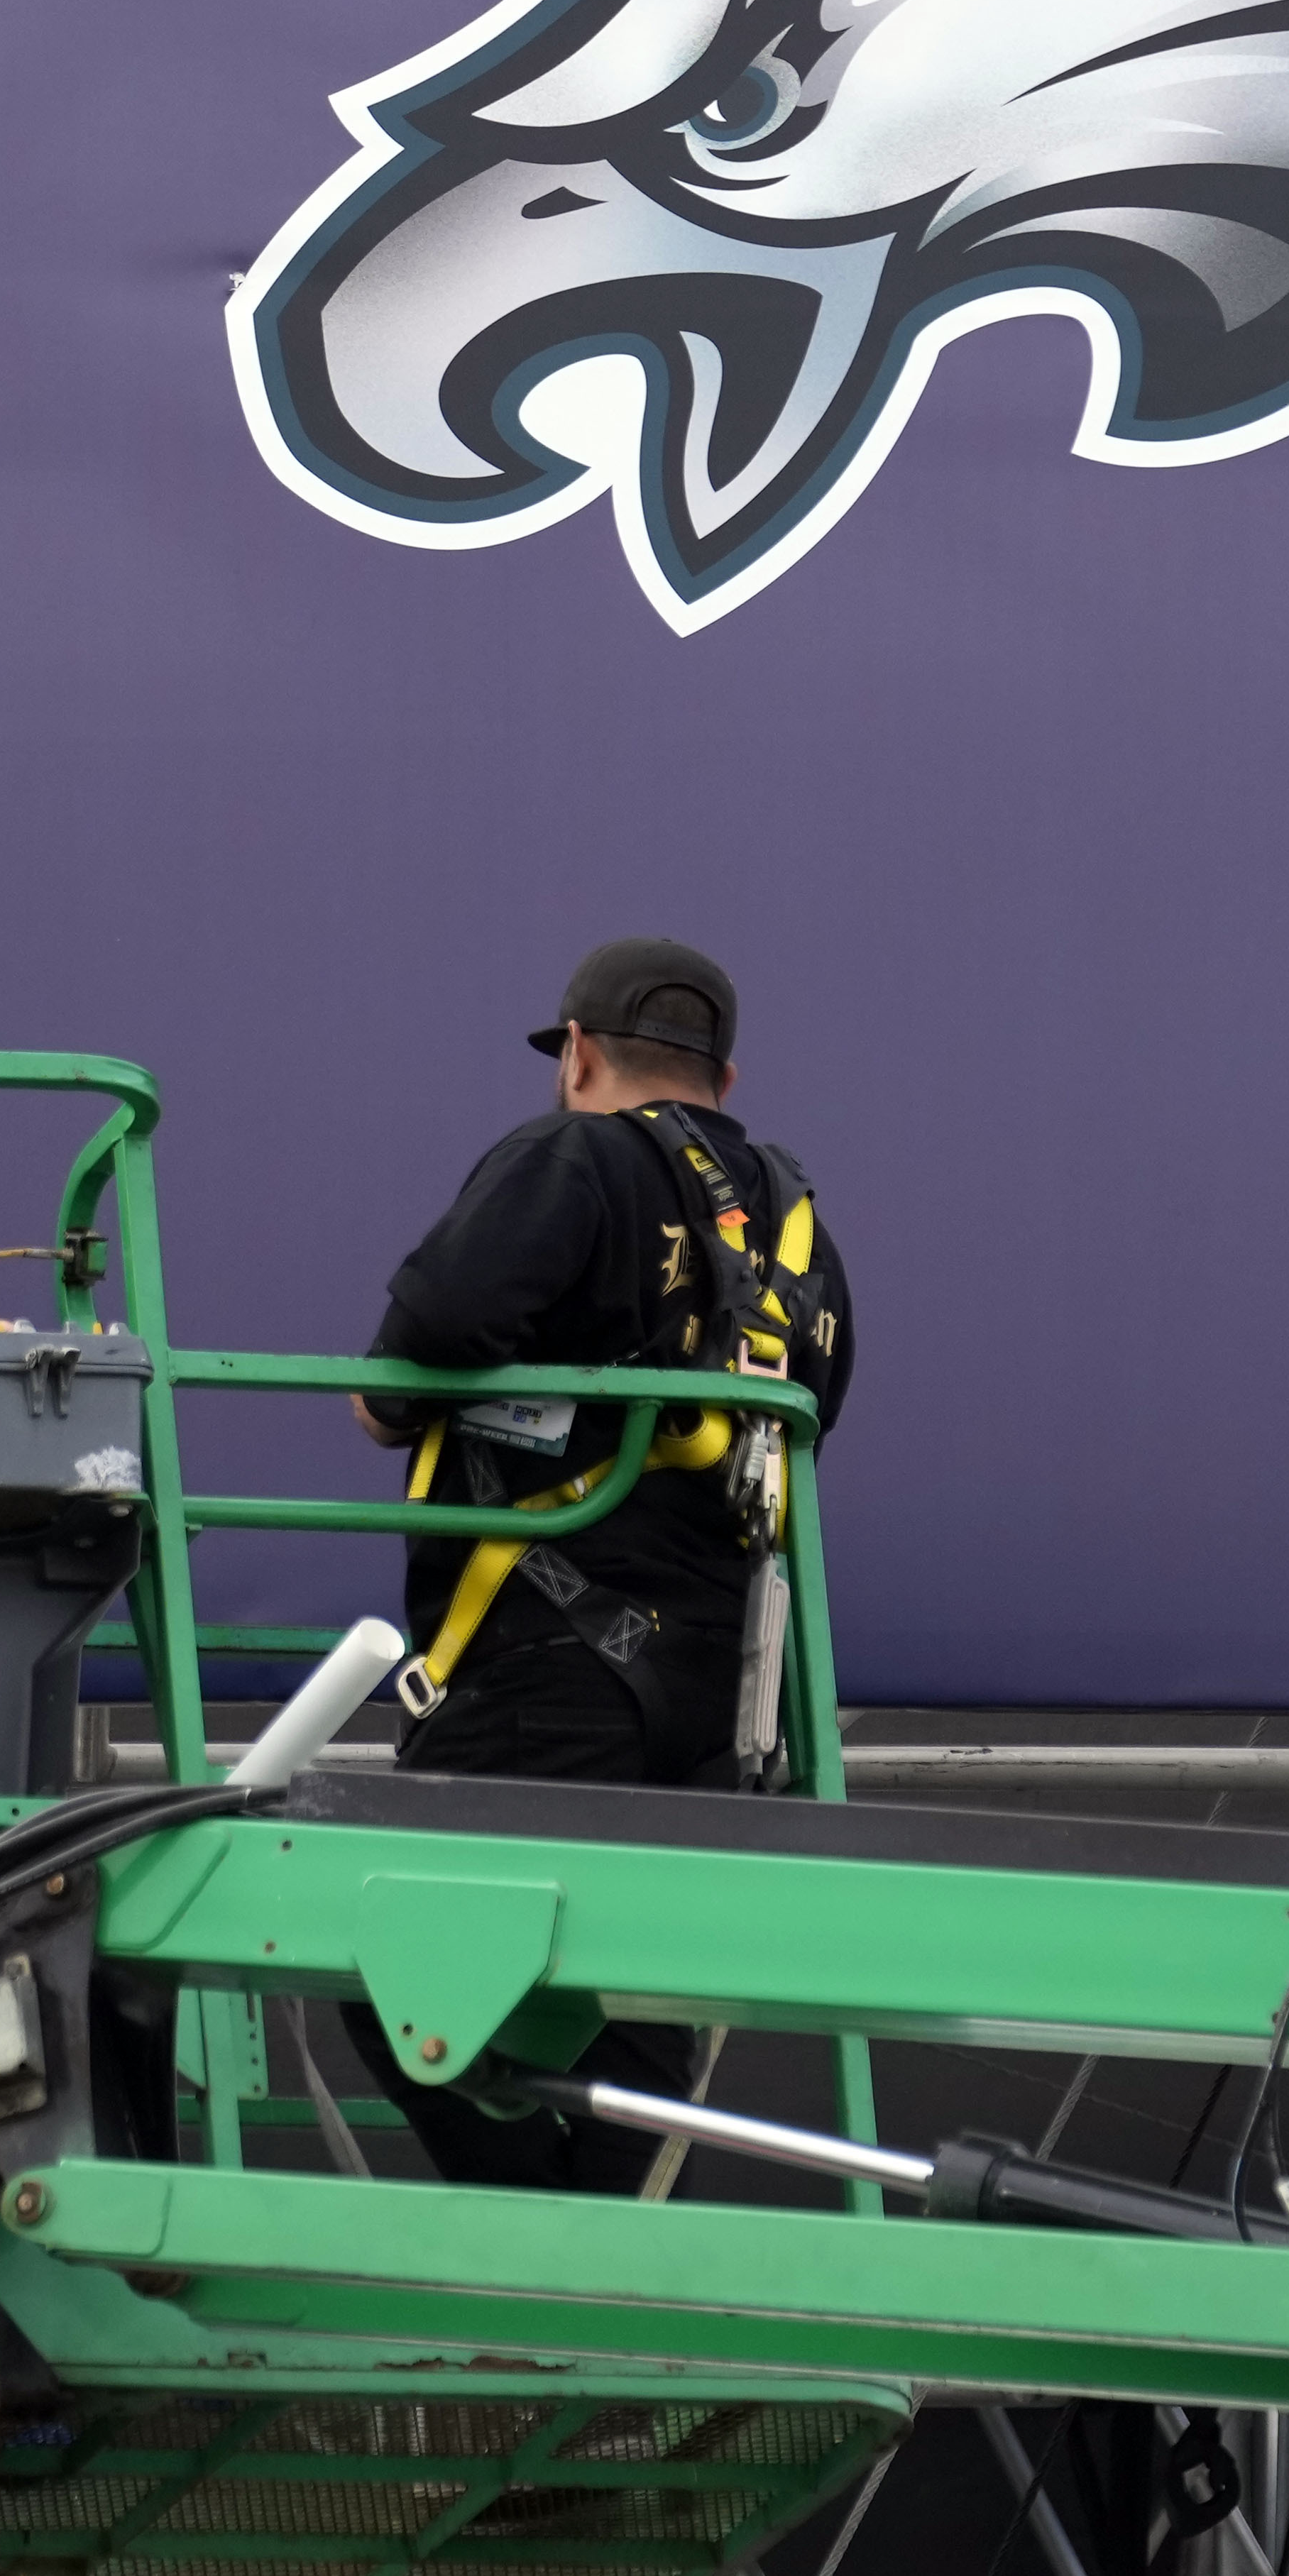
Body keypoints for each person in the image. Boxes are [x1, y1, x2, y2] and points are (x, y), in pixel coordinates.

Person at [350, 935, 855, 2191]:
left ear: (576, 1054)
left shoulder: (567, 1156)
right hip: (720, 1692)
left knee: (368, 1957)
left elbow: (419, 1348)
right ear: (722, 1079)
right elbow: (816, 1408)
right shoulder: (800, 1231)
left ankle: (543, 2267)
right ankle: (595, 2290)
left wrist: (390, 1408)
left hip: (543, 1662)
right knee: (622, 2023)